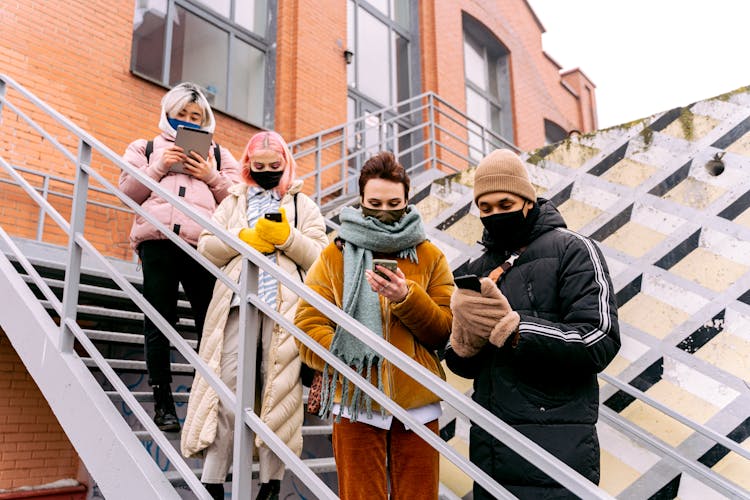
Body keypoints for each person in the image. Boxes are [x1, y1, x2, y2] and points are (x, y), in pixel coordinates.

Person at [444, 148, 620, 499]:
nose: (495, 215)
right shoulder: (476, 269)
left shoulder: (575, 249)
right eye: (485, 208)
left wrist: (517, 330)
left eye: (505, 205)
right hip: (491, 445)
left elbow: (599, 337)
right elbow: (465, 364)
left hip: (557, 444)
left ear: (527, 200)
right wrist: (462, 344)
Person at [294, 151, 454, 500]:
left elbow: (443, 330)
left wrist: (406, 299)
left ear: (408, 201)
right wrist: (347, 356)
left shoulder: (429, 255)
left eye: (394, 203)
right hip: (353, 398)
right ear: (361, 201)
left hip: (417, 400)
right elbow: (307, 321)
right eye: (375, 202)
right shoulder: (334, 253)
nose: (384, 211)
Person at [180, 131, 328, 500]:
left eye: (274, 166)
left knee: (278, 388)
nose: (266, 171)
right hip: (235, 304)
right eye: (258, 166)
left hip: (285, 309)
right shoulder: (233, 200)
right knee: (226, 386)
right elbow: (208, 247)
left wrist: (285, 238)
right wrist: (243, 238)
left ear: (286, 165)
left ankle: (271, 482)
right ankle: (213, 479)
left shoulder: (303, 204)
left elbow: (321, 259)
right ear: (247, 166)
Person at [119, 82, 241, 432]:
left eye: (196, 116)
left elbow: (237, 200)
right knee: (159, 319)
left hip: (202, 246)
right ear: (168, 114)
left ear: (206, 120)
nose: (188, 120)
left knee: (209, 323)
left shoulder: (219, 154)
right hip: (157, 241)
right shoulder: (146, 147)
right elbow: (126, 192)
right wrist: (158, 166)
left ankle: (205, 400)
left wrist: (210, 175)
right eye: (181, 114)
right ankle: (163, 402)